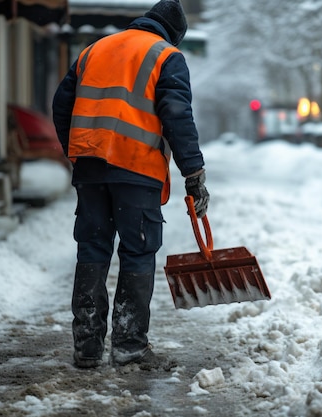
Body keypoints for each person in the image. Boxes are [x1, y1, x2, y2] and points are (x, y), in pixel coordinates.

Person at [52, 0, 209, 369]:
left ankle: (87, 347)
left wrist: (77, 149)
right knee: (138, 251)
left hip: (91, 168)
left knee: (92, 249)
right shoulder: (166, 56)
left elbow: (61, 104)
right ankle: (129, 344)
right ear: (175, 35)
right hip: (136, 170)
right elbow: (176, 114)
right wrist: (194, 173)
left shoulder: (95, 49)